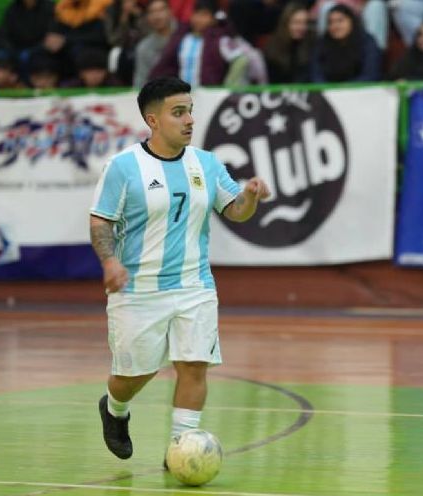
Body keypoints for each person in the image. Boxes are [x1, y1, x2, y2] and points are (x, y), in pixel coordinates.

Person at [90, 76, 270, 462]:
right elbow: (101, 221)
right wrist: (110, 262)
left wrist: (251, 196)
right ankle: (115, 409)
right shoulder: (123, 167)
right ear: (152, 121)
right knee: (134, 375)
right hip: (138, 291)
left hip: (195, 286)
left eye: (190, 110)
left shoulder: (205, 163)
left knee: (194, 366)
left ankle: (180, 449)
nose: (189, 119)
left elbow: (235, 210)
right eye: (178, 112)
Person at [310, 4, 382, 82]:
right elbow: (316, 75)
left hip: (359, 90)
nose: (335, 26)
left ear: (351, 22)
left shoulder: (367, 42)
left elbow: (370, 75)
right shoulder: (322, 43)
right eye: (331, 22)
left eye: (340, 21)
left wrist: (342, 89)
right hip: (328, 91)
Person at [264, 2, 314, 84]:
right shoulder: (273, 47)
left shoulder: (311, 44)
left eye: (304, 23)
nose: (301, 27)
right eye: (296, 22)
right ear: (286, 23)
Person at [133, 0, 178, 87]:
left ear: (170, 12)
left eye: (161, 10)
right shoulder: (143, 47)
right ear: (147, 17)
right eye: (152, 12)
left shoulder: (185, 36)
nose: (157, 16)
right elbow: (140, 81)